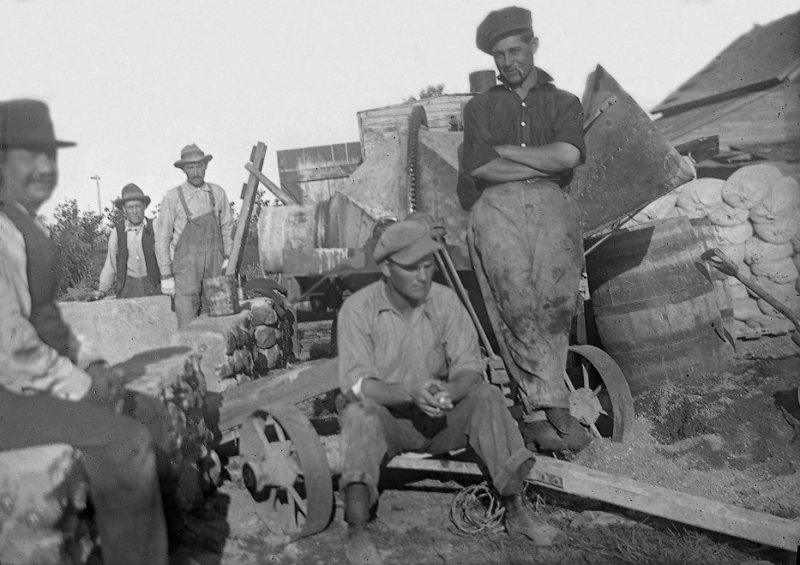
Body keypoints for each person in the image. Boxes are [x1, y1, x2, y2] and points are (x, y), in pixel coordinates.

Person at [337, 219, 567, 564]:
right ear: (385, 267)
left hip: (442, 418)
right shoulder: (357, 309)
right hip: (390, 423)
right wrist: (410, 391)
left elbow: (469, 369)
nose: (422, 275)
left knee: (487, 396)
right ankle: (357, 530)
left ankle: (517, 512)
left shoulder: (445, 302)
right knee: (358, 413)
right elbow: (357, 385)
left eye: (428, 265)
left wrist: (447, 392)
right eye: (411, 267)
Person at [0, 99, 168, 565]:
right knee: (127, 441)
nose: (43, 168)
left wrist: (89, 357)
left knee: (149, 411)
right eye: (28, 157)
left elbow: (47, 319)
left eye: (48, 157)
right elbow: (9, 342)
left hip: (32, 385)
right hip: (10, 397)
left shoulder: (25, 223)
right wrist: (81, 386)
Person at [462, 6, 591, 453]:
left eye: (514, 51)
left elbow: (568, 157)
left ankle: (541, 407)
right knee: (514, 301)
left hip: (553, 207)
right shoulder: (479, 107)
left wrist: (507, 152)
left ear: (533, 45)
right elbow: (478, 167)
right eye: (498, 55)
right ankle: (552, 406)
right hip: (495, 208)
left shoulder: (563, 102)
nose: (507, 62)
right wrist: (537, 156)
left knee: (555, 305)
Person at [155, 144, 234, 328]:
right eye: (190, 167)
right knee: (188, 327)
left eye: (199, 166)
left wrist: (229, 257)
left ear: (206, 166)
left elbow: (228, 227)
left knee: (219, 321)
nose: (196, 171)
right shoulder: (173, 197)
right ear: (183, 169)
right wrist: (166, 274)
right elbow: (162, 239)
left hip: (215, 267)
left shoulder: (217, 192)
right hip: (186, 272)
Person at [89, 183, 161, 300]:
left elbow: (169, 257)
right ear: (124, 209)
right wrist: (102, 290)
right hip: (129, 289)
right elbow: (110, 264)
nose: (134, 211)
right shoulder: (117, 232)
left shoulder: (156, 227)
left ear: (144, 206)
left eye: (138, 206)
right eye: (130, 207)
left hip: (154, 286)